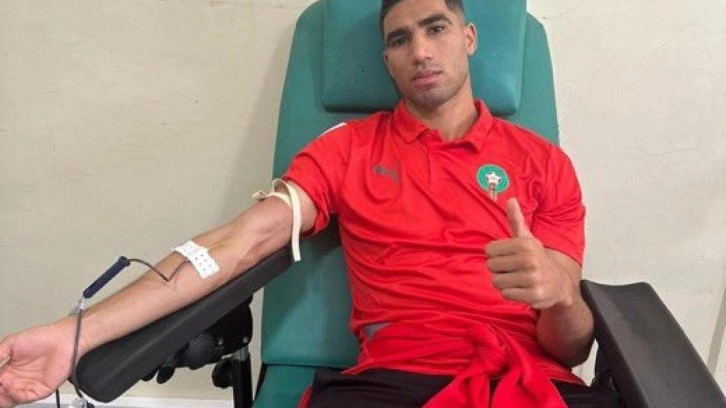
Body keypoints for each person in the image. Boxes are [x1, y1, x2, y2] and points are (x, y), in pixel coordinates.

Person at [0, 0, 616, 407]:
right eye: (400, 39)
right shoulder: (348, 149)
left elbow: (571, 348)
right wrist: (73, 335)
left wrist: (560, 296)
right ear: (387, 60)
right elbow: (237, 243)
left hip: (528, 380)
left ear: (469, 37)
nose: (422, 51)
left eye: (436, 28)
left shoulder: (545, 164)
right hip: (391, 382)